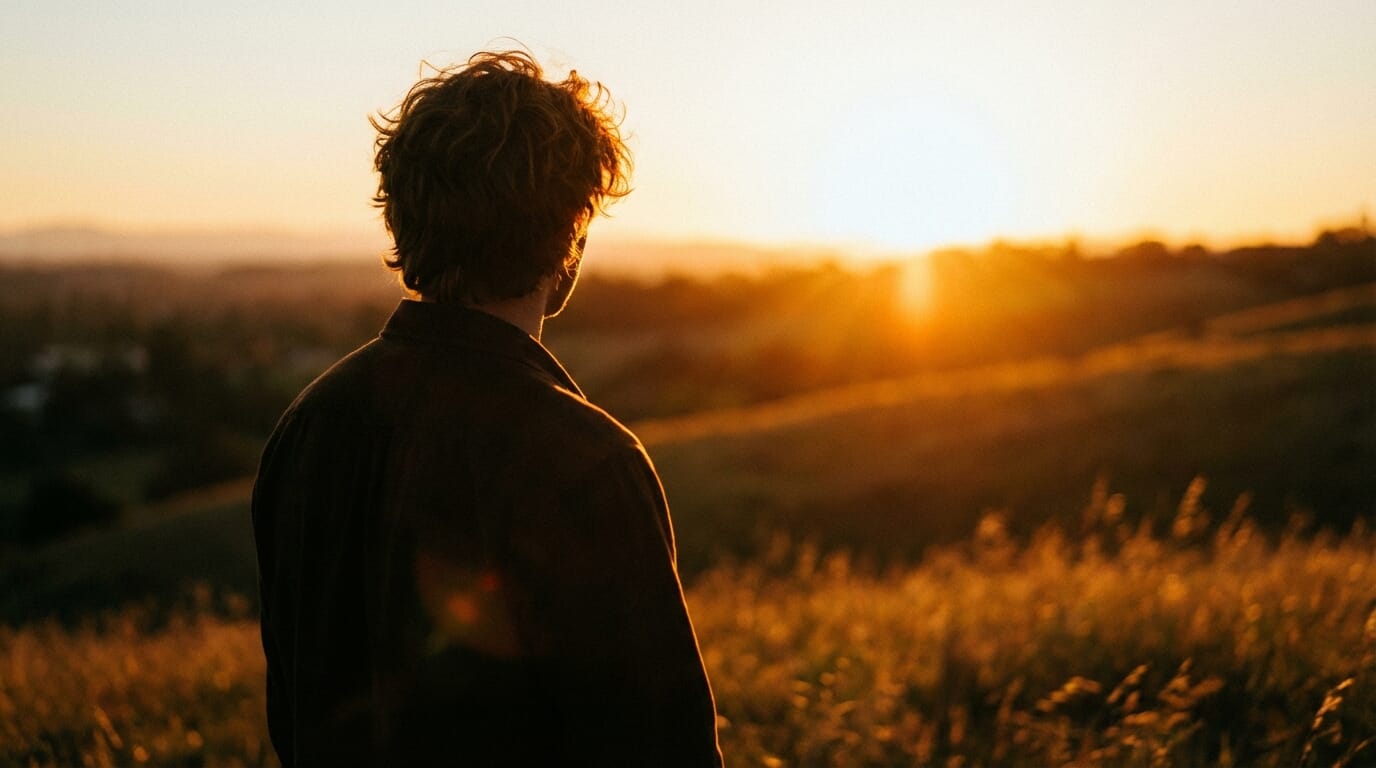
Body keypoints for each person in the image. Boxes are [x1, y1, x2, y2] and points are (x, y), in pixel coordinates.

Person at [252, 49, 722, 766]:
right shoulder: (588, 463)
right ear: (569, 239)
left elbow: (291, 709)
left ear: (401, 218)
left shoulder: (307, 429)